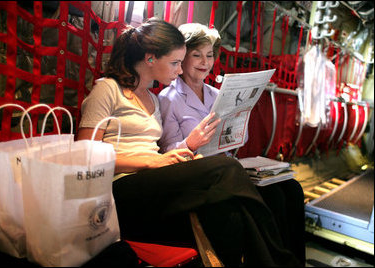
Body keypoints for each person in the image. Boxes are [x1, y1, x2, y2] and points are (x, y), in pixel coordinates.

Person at [77, 18, 301, 266]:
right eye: (175, 62)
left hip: (156, 176)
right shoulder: (107, 90)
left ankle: (274, 261)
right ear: (150, 59)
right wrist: (152, 162)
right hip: (121, 185)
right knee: (227, 169)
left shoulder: (151, 99)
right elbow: (85, 158)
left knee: (232, 211)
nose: (179, 70)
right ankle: (282, 259)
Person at [158, 23, 306, 264]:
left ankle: (294, 261)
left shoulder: (217, 94)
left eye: (210, 55)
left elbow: (239, 141)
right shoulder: (169, 98)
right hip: (200, 174)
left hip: (228, 168)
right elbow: (166, 152)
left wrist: (241, 120)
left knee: (291, 190)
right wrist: (190, 143)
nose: (205, 62)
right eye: (197, 55)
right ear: (182, 57)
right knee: (271, 201)